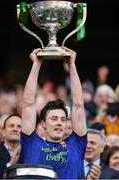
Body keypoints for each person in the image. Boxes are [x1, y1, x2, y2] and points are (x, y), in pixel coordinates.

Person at [20, 47, 87, 179]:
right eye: (54, 118)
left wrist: (72, 65)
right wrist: (36, 64)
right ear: (43, 124)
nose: (59, 123)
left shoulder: (76, 145)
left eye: (63, 119)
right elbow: (28, 103)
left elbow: (79, 104)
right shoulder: (31, 143)